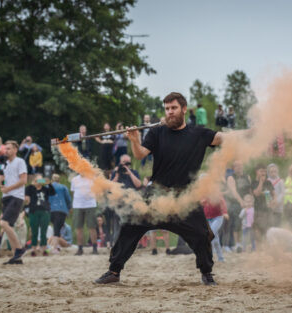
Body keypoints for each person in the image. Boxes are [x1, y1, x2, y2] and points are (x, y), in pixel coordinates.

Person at [94, 92, 224, 285]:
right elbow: (140, 155)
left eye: (174, 108)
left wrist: (252, 133)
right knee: (130, 225)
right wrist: (135, 140)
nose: (170, 112)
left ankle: (206, 273)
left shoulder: (199, 133)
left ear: (184, 109)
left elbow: (224, 138)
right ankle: (114, 271)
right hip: (156, 193)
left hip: (185, 197)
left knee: (202, 234)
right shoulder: (157, 132)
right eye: (167, 109)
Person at [0, 140, 28, 264]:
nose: (6, 151)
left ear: (15, 150)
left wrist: (8, 188)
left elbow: (23, 180)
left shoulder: (20, 162)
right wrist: (0, 182)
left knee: (3, 224)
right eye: (5, 149)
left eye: (9, 148)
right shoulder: (6, 164)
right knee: (7, 225)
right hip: (7, 197)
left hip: (16, 196)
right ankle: (17, 256)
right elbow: (4, 180)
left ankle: (19, 249)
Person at [110, 154, 142, 245]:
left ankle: (131, 245)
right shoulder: (115, 173)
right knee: (117, 227)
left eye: (128, 163)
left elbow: (139, 185)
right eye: (124, 163)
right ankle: (116, 245)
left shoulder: (134, 172)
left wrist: (130, 173)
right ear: (120, 163)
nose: (126, 165)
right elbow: (110, 186)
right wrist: (117, 175)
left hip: (131, 203)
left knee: (131, 225)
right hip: (118, 203)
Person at [223, 161, 252, 252]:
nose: (239, 167)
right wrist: (241, 201)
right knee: (236, 224)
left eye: (240, 165)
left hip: (248, 203)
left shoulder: (247, 176)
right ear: (233, 168)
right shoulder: (231, 177)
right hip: (235, 204)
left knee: (248, 224)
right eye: (236, 166)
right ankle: (236, 244)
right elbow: (233, 191)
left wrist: (251, 201)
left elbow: (250, 190)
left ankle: (247, 243)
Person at [25, 174, 55, 256]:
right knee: (34, 231)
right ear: (34, 180)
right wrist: (33, 184)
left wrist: (49, 183)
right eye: (38, 180)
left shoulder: (45, 189)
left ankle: (44, 248)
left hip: (45, 211)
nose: (40, 182)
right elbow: (26, 199)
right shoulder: (30, 188)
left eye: (41, 180)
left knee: (43, 231)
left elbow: (53, 192)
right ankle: (33, 249)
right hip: (34, 211)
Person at [71, 174, 98, 255]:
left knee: (92, 227)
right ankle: (80, 248)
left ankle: (94, 248)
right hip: (78, 205)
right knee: (78, 227)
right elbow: (73, 192)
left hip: (90, 205)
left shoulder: (92, 178)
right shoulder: (74, 179)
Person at [252, 164, 277, 241]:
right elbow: (257, 193)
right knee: (258, 230)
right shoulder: (254, 183)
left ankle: (267, 247)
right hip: (258, 211)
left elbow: (274, 194)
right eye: (261, 171)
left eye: (265, 171)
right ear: (257, 172)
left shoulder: (268, 182)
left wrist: (274, 201)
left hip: (268, 210)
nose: (263, 173)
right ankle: (259, 248)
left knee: (269, 229)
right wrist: (261, 182)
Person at [48, 173, 72, 253]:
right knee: (57, 229)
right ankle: (55, 248)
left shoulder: (48, 187)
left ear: (52, 179)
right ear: (59, 180)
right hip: (62, 210)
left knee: (55, 228)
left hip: (50, 210)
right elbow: (68, 199)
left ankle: (56, 246)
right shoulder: (63, 187)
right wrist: (69, 208)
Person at [202, 191, 228, 262]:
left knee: (211, 235)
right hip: (208, 219)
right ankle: (221, 258)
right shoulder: (203, 193)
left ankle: (208, 257)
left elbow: (222, 202)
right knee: (215, 239)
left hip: (218, 217)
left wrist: (225, 212)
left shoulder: (216, 192)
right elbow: (201, 204)